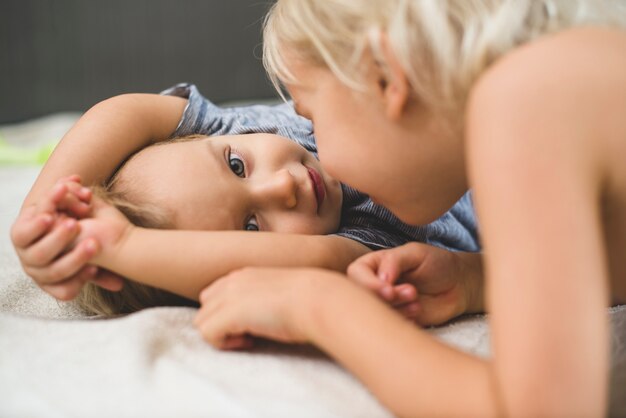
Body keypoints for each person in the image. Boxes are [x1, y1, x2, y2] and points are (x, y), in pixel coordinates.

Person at [190, 0, 626, 416]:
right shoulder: (574, 68)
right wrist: (474, 279)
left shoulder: (519, 102)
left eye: (313, 119)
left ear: (385, 78)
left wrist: (318, 304)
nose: (316, 148)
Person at [11, 84, 483, 322]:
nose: (282, 187)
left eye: (237, 167)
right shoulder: (360, 243)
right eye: (253, 227)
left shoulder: (233, 133)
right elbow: (318, 260)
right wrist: (124, 247)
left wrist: (41, 215)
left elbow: (128, 112)